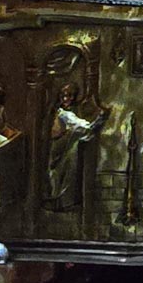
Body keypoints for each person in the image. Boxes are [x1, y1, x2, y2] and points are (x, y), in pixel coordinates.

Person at [45, 83, 106, 211]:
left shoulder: (68, 114)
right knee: (54, 173)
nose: (66, 99)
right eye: (63, 96)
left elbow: (85, 127)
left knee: (62, 173)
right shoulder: (59, 112)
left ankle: (60, 202)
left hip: (63, 147)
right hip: (56, 147)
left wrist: (100, 118)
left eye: (69, 96)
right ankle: (56, 200)